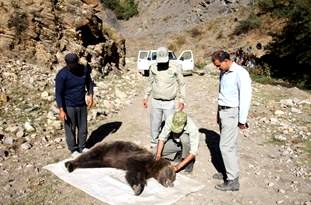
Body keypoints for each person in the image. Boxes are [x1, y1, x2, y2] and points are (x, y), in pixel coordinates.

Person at [211, 50, 252, 191]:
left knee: (225, 146)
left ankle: (232, 180)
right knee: (229, 145)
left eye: (218, 65)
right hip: (223, 112)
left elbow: (245, 97)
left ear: (227, 60)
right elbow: (221, 93)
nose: (218, 68)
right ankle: (227, 171)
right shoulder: (224, 73)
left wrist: (242, 120)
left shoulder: (241, 73)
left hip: (232, 112)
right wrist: (218, 113)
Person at [143, 47, 186, 148]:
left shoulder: (175, 67)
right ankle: (154, 142)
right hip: (155, 101)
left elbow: (182, 83)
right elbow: (149, 83)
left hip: (169, 102)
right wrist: (146, 97)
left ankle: (171, 141)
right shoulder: (153, 67)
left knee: (170, 123)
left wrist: (182, 99)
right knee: (155, 123)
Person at [55, 53, 94, 156]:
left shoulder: (84, 69)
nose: (72, 66)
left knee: (83, 127)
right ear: (67, 63)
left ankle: (82, 147)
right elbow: (58, 93)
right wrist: (61, 110)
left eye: (74, 63)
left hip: (81, 103)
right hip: (69, 105)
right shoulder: (62, 75)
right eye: (70, 64)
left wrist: (90, 95)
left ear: (77, 62)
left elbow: (89, 82)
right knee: (70, 129)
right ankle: (73, 149)